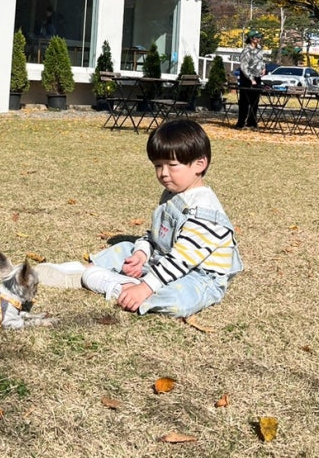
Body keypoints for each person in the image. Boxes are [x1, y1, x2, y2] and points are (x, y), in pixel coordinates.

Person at [36, 119, 242, 317]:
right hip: (163, 260)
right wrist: (142, 255)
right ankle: (80, 269)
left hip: (199, 276)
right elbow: (154, 237)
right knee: (126, 248)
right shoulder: (174, 194)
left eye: (172, 165)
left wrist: (145, 287)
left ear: (199, 164)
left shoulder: (206, 213)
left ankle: (117, 285)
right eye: (158, 166)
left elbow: (181, 260)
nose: (163, 173)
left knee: (179, 299)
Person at [236, 29, 265, 128]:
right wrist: (250, 79)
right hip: (247, 78)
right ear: (251, 39)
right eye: (257, 37)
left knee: (255, 102)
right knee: (244, 102)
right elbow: (244, 66)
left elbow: (261, 60)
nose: (259, 39)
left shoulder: (259, 49)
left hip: (257, 77)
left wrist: (263, 68)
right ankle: (241, 123)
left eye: (259, 37)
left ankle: (252, 122)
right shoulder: (247, 51)